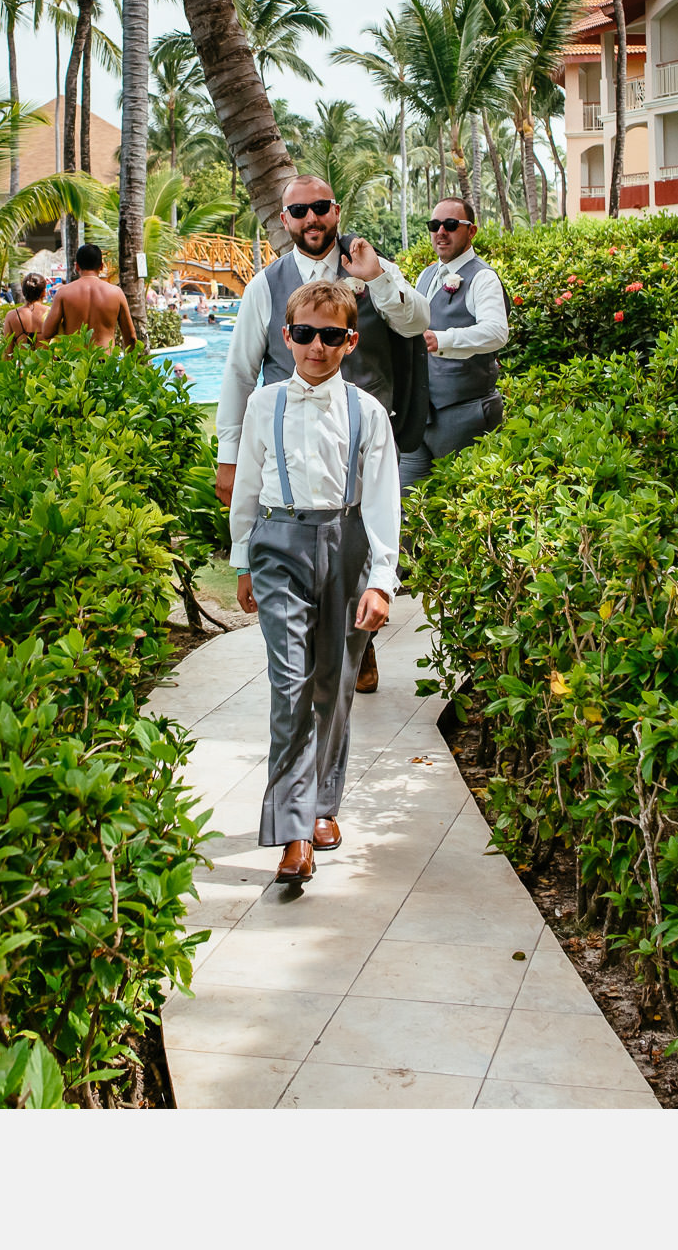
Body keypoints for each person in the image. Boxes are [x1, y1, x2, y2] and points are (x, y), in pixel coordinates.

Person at [213, 175, 429, 694]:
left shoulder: (370, 263)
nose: (312, 218)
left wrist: (376, 278)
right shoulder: (267, 284)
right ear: (284, 221)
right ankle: (308, 650)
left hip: (361, 434)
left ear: (336, 210)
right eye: (299, 211)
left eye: (321, 208)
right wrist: (229, 454)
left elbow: (417, 319)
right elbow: (241, 371)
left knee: (356, 533)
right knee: (300, 539)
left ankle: (361, 643)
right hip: (290, 438)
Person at [230, 278, 400, 886]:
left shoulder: (367, 412)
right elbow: (248, 483)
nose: (316, 347)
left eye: (331, 336)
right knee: (290, 684)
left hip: (346, 544)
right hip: (278, 544)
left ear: (350, 341)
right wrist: (242, 560)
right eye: (305, 335)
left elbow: (383, 503)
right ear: (287, 337)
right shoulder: (263, 404)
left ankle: (324, 803)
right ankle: (293, 832)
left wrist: (381, 580)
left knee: (334, 682)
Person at [397, 197, 509, 489]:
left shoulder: (482, 277)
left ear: (471, 231)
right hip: (420, 415)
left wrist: (442, 339)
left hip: (465, 413)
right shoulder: (426, 275)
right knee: (405, 507)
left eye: (450, 225)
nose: (441, 232)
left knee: (461, 506)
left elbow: (497, 332)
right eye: (435, 225)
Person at [41, 243, 141, 347]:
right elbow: (131, 337)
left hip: (75, 360)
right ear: (101, 266)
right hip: (105, 361)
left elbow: (47, 332)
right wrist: (131, 360)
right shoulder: (116, 293)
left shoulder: (63, 293)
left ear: (77, 266)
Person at [2, 274, 49, 347]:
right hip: (47, 358)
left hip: (23, 358)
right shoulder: (50, 313)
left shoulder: (12, 316)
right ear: (44, 293)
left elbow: (7, 352)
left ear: (23, 292)